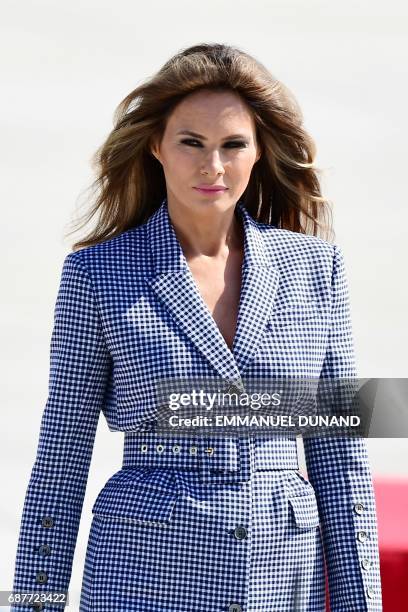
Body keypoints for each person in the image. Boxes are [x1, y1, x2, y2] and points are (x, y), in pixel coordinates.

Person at [10, 43, 383, 611]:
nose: (213, 166)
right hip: (142, 579)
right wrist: (35, 605)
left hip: (281, 582)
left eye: (233, 145)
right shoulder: (98, 273)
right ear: (157, 146)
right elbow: (62, 456)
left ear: (258, 153)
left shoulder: (317, 268)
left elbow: (341, 462)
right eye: (192, 143)